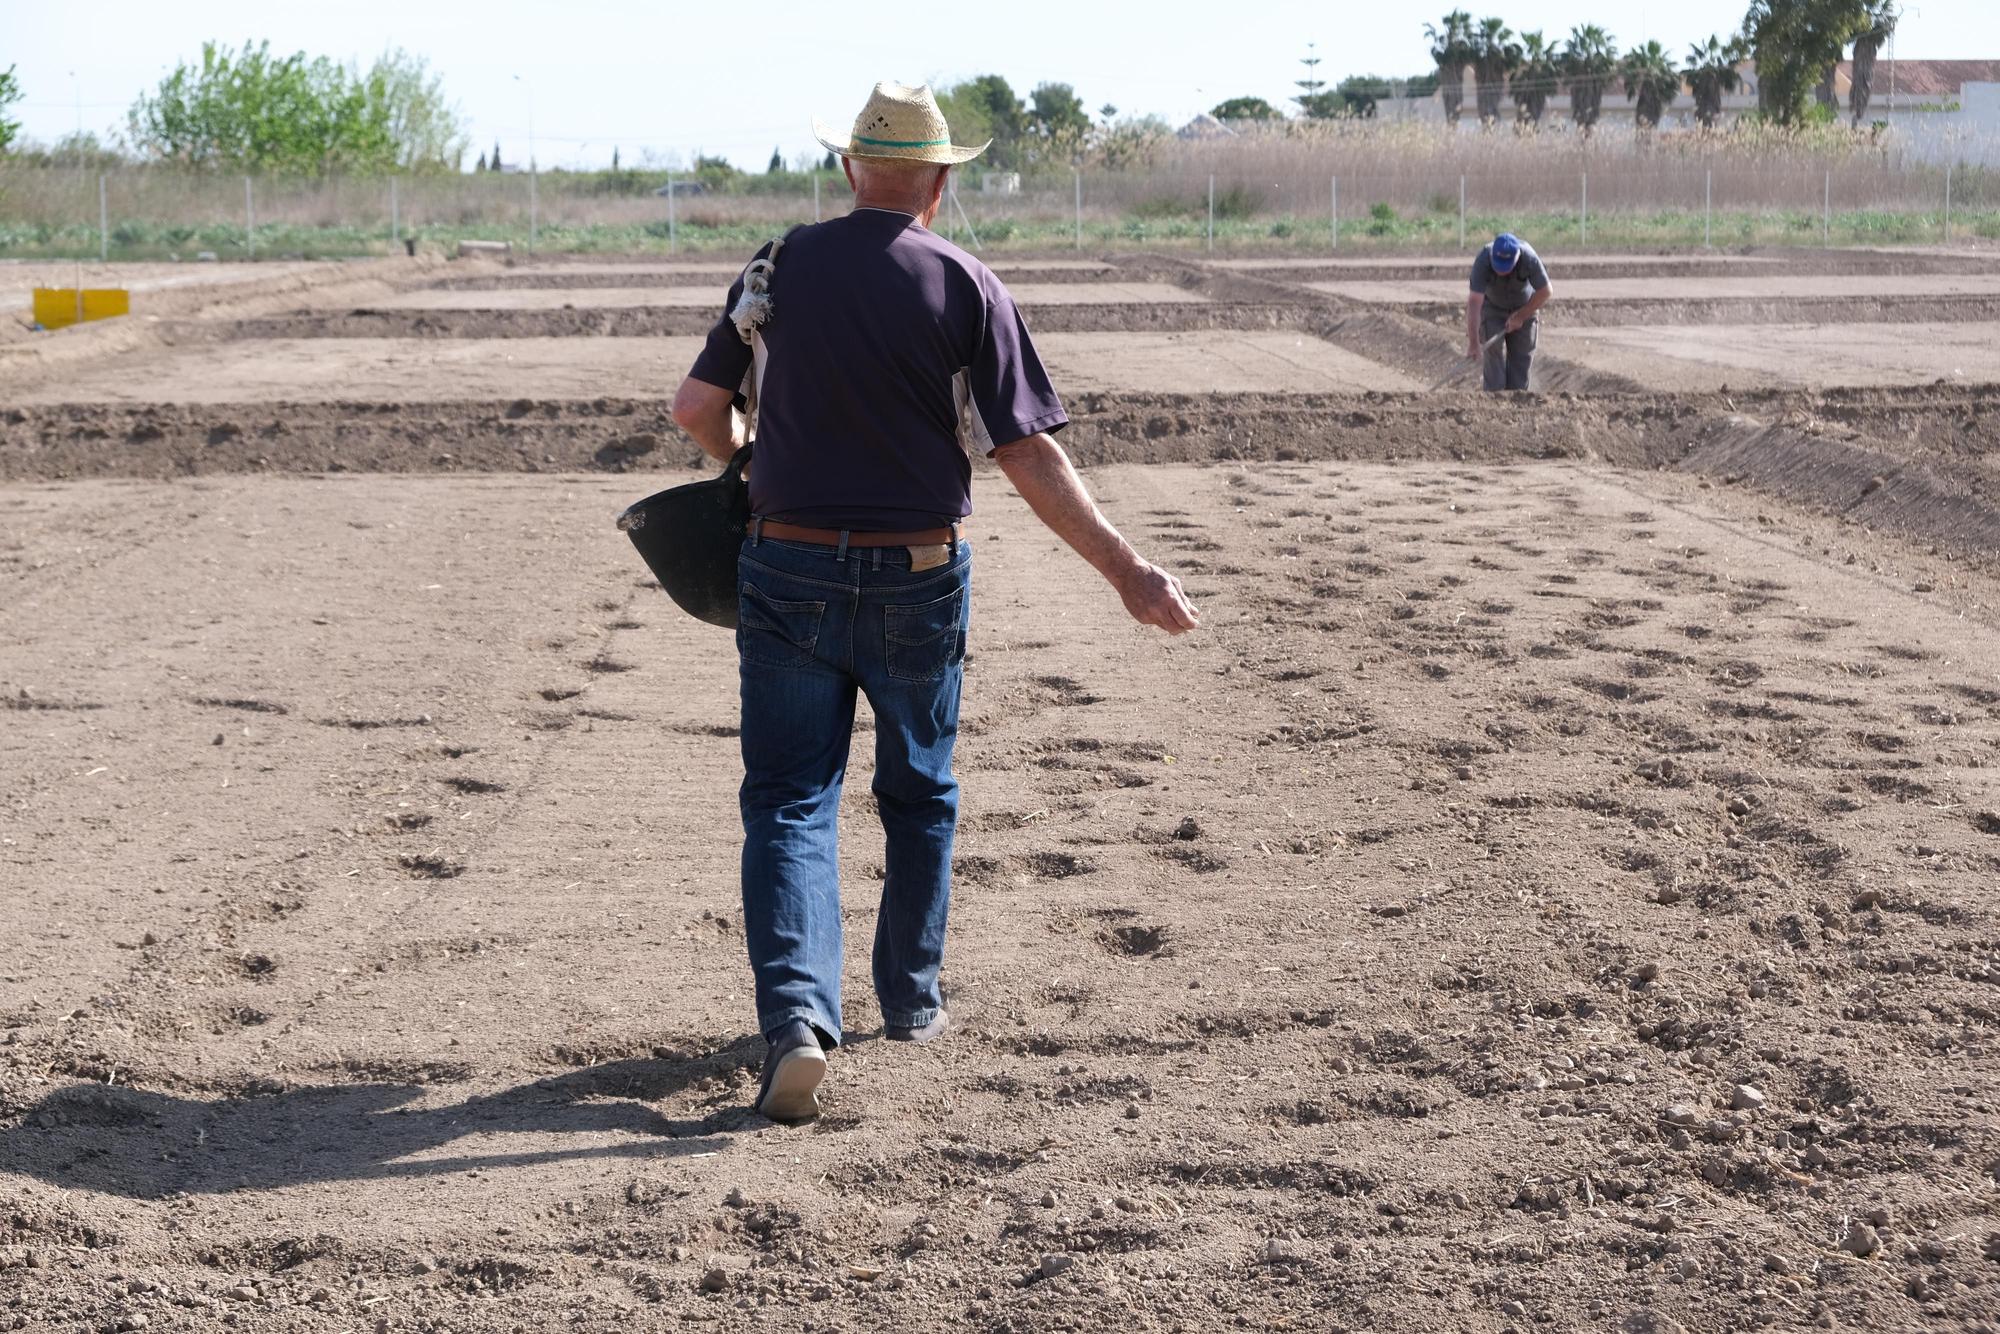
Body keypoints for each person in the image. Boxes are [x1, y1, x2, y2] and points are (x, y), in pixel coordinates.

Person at [668, 81, 1198, 1123]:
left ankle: (797, 1023)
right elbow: (1023, 449)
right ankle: (907, 999)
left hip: (786, 565)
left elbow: (694, 407)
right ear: (940, 184)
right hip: (919, 571)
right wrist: (1127, 571)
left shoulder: (775, 264)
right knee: (918, 786)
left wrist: (742, 455)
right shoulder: (966, 281)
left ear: (848, 169)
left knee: (787, 798)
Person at [1465, 232, 1553, 392]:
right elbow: (1474, 302)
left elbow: (1545, 291)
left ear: (1517, 257)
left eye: (1506, 267)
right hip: (1493, 308)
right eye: (1497, 265)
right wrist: (1473, 343)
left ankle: (1516, 406)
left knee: (1521, 363)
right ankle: (1493, 402)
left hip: (1524, 308)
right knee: (1493, 354)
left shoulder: (1529, 257)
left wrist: (1520, 316)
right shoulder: (1483, 259)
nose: (1501, 271)